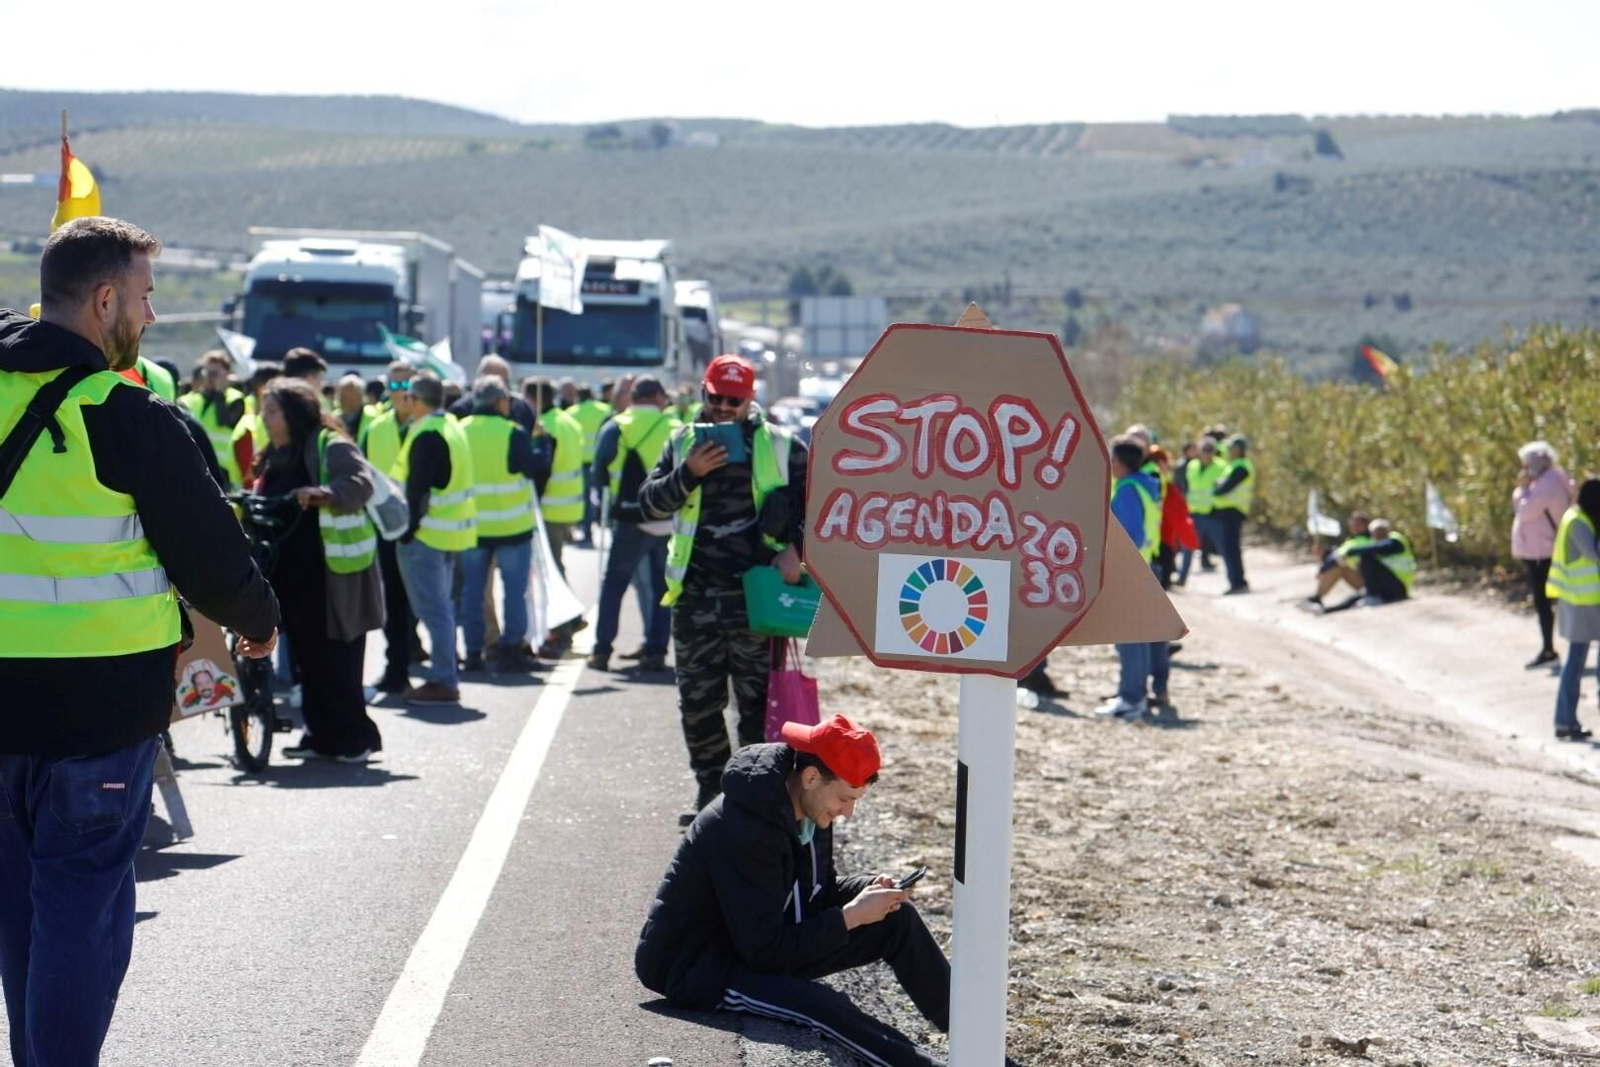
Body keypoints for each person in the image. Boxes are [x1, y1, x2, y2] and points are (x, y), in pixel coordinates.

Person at [0, 216, 278, 1063]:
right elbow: (211, 554)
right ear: (106, 297)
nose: (152, 318)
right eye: (147, 298)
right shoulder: (126, 414)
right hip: (98, 718)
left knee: (20, 914)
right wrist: (259, 624)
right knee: (83, 912)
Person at [635, 716, 963, 1067]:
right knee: (825, 1008)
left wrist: (867, 889)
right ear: (811, 777)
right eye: (844, 798)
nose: (848, 813)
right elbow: (764, 953)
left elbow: (816, 895)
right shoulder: (744, 828)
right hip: (703, 966)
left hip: (760, 943)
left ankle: (977, 1043)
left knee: (898, 920)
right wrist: (851, 916)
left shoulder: (809, 806)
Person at [640, 354, 808, 817]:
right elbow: (648, 504)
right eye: (717, 398)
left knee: (756, 708)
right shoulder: (681, 443)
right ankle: (710, 793)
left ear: (750, 399)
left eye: (735, 400)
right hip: (695, 600)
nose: (724, 408)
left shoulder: (782, 446)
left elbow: (825, 507)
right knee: (698, 704)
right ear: (703, 392)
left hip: (757, 601)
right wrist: (688, 473)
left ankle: (750, 798)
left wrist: (798, 548)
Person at [254, 377, 386, 761]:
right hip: (290, 574)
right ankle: (320, 736)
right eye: (264, 409)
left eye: (273, 410)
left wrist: (324, 494)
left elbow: (361, 484)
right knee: (306, 661)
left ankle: (354, 738)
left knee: (337, 661)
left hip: (331, 575)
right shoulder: (274, 453)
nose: (265, 417)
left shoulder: (331, 444)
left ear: (294, 413)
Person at [393, 372, 477, 704]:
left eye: (407, 396)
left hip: (426, 535)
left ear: (415, 400)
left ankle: (444, 680)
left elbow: (418, 492)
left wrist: (405, 533)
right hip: (447, 533)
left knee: (435, 610)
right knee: (442, 608)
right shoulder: (452, 426)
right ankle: (445, 674)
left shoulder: (426, 432)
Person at [458, 375, 550, 673]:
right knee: (514, 591)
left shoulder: (459, 431)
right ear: (500, 402)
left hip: (472, 528)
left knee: (472, 592)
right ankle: (511, 648)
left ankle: (474, 651)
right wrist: (541, 440)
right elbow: (535, 468)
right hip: (512, 528)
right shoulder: (514, 432)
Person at [588, 376, 678, 672]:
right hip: (668, 520)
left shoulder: (615, 427)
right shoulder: (676, 429)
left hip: (629, 519)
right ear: (658, 397)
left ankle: (602, 650)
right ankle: (655, 652)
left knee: (614, 585)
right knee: (662, 587)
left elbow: (599, 473)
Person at [1097, 435, 1167, 719]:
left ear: (1119, 462)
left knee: (1128, 639)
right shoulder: (1144, 484)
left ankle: (1131, 698)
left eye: (1111, 458)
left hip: (1132, 570)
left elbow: (1131, 536)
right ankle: (1136, 694)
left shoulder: (1126, 489)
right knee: (1139, 638)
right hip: (1147, 566)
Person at [362, 360, 419, 693]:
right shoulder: (377, 428)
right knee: (394, 603)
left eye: (406, 386)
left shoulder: (424, 425)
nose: (399, 393)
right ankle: (397, 668)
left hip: (424, 528)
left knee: (424, 602)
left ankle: (416, 652)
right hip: (386, 527)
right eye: (394, 386)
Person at [529, 378, 588, 657]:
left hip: (550, 507)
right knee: (557, 565)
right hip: (569, 506)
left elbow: (542, 469)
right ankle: (573, 618)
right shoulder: (568, 421)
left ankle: (563, 629)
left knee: (552, 570)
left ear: (534, 400)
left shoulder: (544, 426)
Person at [1513, 441, 1576, 669]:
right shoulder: (1557, 479)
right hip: (1547, 547)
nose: (1524, 469)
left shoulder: (1544, 485)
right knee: (1558, 599)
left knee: (1543, 602)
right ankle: (1554, 647)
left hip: (1541, 550)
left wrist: (1523, 488)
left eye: (1526, 464)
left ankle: (1549, 649)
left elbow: (1524, 512)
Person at [1547, 480, 1600, 741]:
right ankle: (1565, 721)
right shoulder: (1577, 520)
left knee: (1577, 663)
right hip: (1581, 604)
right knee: (1575, 664)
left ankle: (1565, 721)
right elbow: (1593, 554)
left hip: (1587, 603)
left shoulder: (1579, 516)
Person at [1318, 518, 1415, 613]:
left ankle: (1372, 596)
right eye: (1374, 534)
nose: (1377, 536)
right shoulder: (1375, 542)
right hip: (1386, 586)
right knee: (1356, 597)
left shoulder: (1396, 540)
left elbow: (1382, 547)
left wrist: (1350, 552)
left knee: (1366, 556)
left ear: (1387, 530)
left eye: (1380, 532)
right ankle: (1327, 610)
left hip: (1399, 588)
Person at [180, 348, 246, 486]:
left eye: (215, 373)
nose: (210, 377)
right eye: (208, 372)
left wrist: (219, 392)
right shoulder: (189, 400)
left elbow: (224, 421)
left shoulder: (235, 400)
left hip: (222, 470)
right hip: (192, 465)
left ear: (227, 374)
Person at [1210, 433, 1254, 595]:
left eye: (1232, 447)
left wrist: (1219, 486)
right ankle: (1235, 582)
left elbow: (1224, 487)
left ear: (1239, 449)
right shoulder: (1232, 465)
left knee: (1231, 549)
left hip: (1233, 512)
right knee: (1228, 549)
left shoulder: (1241, 466)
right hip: (1226, 513)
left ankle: (1238, 582)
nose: (1229, 450)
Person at [570, 383, 614, 544]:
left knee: (586, 499)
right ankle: (609, 523)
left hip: (581, 461)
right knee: (605, 495)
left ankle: (587, 532)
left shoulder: (571, 413)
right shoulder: (604, 409)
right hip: (601, 460)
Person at [449, 354, 537, 432]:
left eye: (502, 382)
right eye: (490, 382)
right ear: (478, 382)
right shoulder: (460, 409)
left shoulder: (523, 409)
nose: (498, 388)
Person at [1178, 436, 1222, 584]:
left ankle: (1235, 582)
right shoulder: (1192, 466)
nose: (1207, 453)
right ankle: (1182, 578)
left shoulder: (1221, 467)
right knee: (1187, 546)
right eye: (1204, 450)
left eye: (1210, 450)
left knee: (1224, 548)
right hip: (1194, 512)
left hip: (1212, 513)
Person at [1306, 511, 1372, 607]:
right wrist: (1323, 554)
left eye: (1357, 524)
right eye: (1352, 523)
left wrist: (1322, 569)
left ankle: (1317, 597)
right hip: (1360, 576)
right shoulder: (1353, 540)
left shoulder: (1368, 540)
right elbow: (1336, 556)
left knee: (1339, 566)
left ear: (1365, 524)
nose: (1354, 526)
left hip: (1368, 581)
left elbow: (1338, 559)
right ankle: (1317, 597)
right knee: (1337, 564)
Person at [335, 373, 372, 440]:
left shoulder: (372, 417)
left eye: (348, 397)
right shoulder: (333, 418)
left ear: (360, 397)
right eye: (341, 396)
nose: (342, 400)